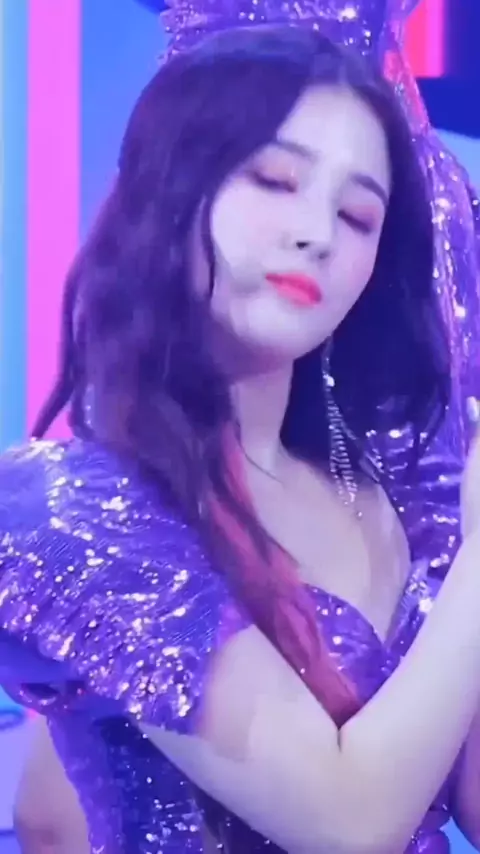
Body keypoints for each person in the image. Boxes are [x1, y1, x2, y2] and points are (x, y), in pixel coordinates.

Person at [3, 25, 480, 854]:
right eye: (274, 180)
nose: (317, 232)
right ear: (170, 186)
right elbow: (348, 823)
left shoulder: (391, 494)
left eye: (357, 215)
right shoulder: (65, 510)